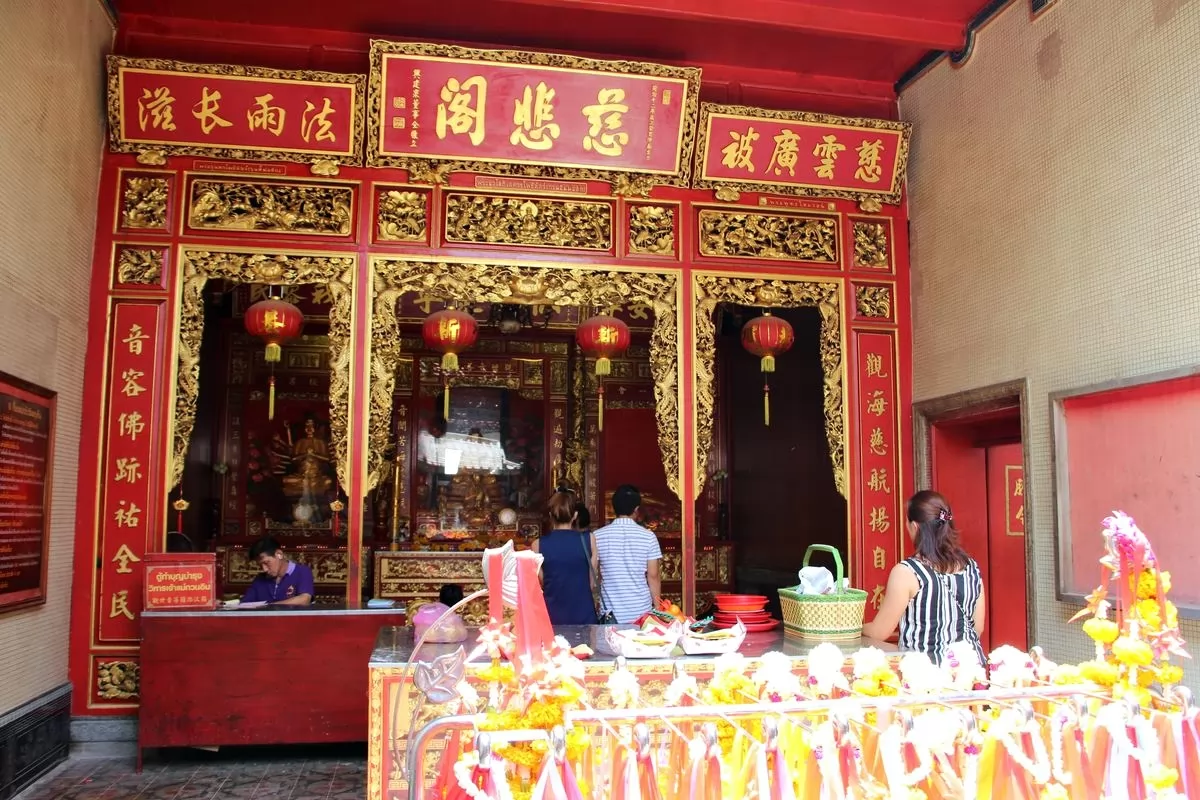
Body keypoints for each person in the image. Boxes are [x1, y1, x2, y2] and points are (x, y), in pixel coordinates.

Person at [861, 490, 986, 666]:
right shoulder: (971, 567)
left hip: (924, 673)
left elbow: (880, 631)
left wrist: (852, 628)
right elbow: (977, 628)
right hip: (968, 670)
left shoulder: (907, 572)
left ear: (915, 526)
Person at [594, 485, 662, 624]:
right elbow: (653, 576)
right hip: (641, 613)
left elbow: (595, 573)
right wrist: (658, 609)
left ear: (614, 508)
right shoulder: (648, 537)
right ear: (636, 509)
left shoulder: (597, 536)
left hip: (611, 614)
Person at [532, 491, 599, 625]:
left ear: (550, 516)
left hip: (552, 615)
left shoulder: (537, 545)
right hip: (584, 614)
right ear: (575, 515)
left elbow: (543, 581)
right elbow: (591, 582)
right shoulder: (588, 539)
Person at [241, 537, 315, 606]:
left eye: (266, 563)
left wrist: (270, 607)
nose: (264, 569)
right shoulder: (259, 579)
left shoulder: (302, 572)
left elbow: (304, 599)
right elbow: (245, 604)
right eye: (260, 565)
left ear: (279, 554)